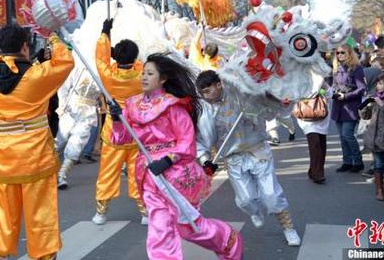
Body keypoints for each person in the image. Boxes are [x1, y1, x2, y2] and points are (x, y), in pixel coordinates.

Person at [109, 54, 243, 260]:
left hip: (175, 175)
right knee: (159, 228)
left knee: (189, 227)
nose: (143, 77)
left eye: (149, 73)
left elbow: (186, 142)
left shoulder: (173, 105)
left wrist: (167, 160)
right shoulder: (132, 105)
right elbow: (121, 139)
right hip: (148, 174)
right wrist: (116, 119)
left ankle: (227, 239)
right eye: (143, 73)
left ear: (162, 79)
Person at [0, 24, 74, 259]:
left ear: (0, 47)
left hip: (5, 154)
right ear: (25, 46)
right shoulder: (36, 75)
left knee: (3, 210)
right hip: (35, 154)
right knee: (40, 213)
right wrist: (51, 35)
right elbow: (66, 61)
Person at [195, 70, 301, 246]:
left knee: (272, 195)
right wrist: (205, 159)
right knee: (246, 200)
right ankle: (255, 210)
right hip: (233, 158)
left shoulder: (241, 91)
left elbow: (269, 107)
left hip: (258, 150)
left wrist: (266, 96)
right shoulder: (205, 109)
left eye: (207, 91)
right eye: (202, 93)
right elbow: (200, 138)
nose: (205, 96)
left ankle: (289, 228)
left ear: (218, 84)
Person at [92, 19, 146, 225]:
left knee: (107, 173)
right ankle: (145, 212)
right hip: (136, 132)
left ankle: (101, 212)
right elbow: (138, 63)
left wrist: (105, 32)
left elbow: (100, 58)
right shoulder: (141, 75)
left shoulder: (108, 75)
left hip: (113, 133)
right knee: (137, 173)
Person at [55, 62, 99, 189]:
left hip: (89, 110)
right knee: (61, 141)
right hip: (71, 106)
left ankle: (61, 175)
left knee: (77, 142)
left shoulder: (104, 70)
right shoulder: (79, 65)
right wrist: (62, 104)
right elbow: (63, 86)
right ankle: (48, 170)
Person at [359, 73, 384, 201]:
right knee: (379, 164)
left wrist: (382, 104)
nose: (378, 86)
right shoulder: (375, 98)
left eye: (381, 83)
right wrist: (365, 106)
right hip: (375, 137)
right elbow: (365, 116)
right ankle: (379, 190)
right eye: (377, 83)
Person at [332, 45, 366, 173]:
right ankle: (347, 161)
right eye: (338, 53)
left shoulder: (356, 68)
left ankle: (358, 162)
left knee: (348, 135)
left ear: (349, 53)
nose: (339, 55)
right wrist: (334, 91)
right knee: (342, 136)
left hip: (350, 107)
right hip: (338, 107)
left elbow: (362, 88)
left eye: (342, 52)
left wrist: (346, 96)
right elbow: (334, 84)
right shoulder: (336, 69)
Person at [296, 78, 332, 184]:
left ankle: (314, 170)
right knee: (315, 144)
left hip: (321, 115)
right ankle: (318, 174)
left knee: (321, 145)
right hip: (306, 116)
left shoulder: (320, 78)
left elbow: (330, 94)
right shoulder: (298, 78)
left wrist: (325, 87)